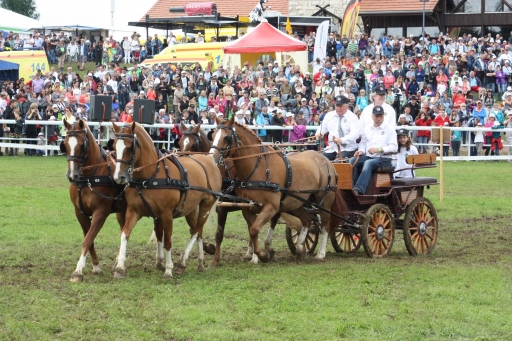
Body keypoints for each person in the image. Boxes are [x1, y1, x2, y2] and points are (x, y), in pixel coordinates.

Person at [350, 105, 398, 195]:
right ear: (372, 117)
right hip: (369, 156)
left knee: (368, 163)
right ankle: (351, 187)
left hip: (384, 159)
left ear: (384, 116)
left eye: (381, 116)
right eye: (377, 116)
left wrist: (378, 150)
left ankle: (359, 189)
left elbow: (394, 147)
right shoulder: (367, 128)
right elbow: (363, 143)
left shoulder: (389, 129)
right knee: (352, 161)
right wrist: (361, 151)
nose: (379, 118)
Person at [316, 96, 360, 160]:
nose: (338, 108)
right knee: (319, 160)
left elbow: (355, 134)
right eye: (337, 106)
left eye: (341, 106)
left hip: (347, 148)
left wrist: (342, 140)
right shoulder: (329, 115)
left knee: (338, 163)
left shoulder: (353, 117)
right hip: (332, 148)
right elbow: (322, 128)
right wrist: (319, 134)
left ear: (347, 106)